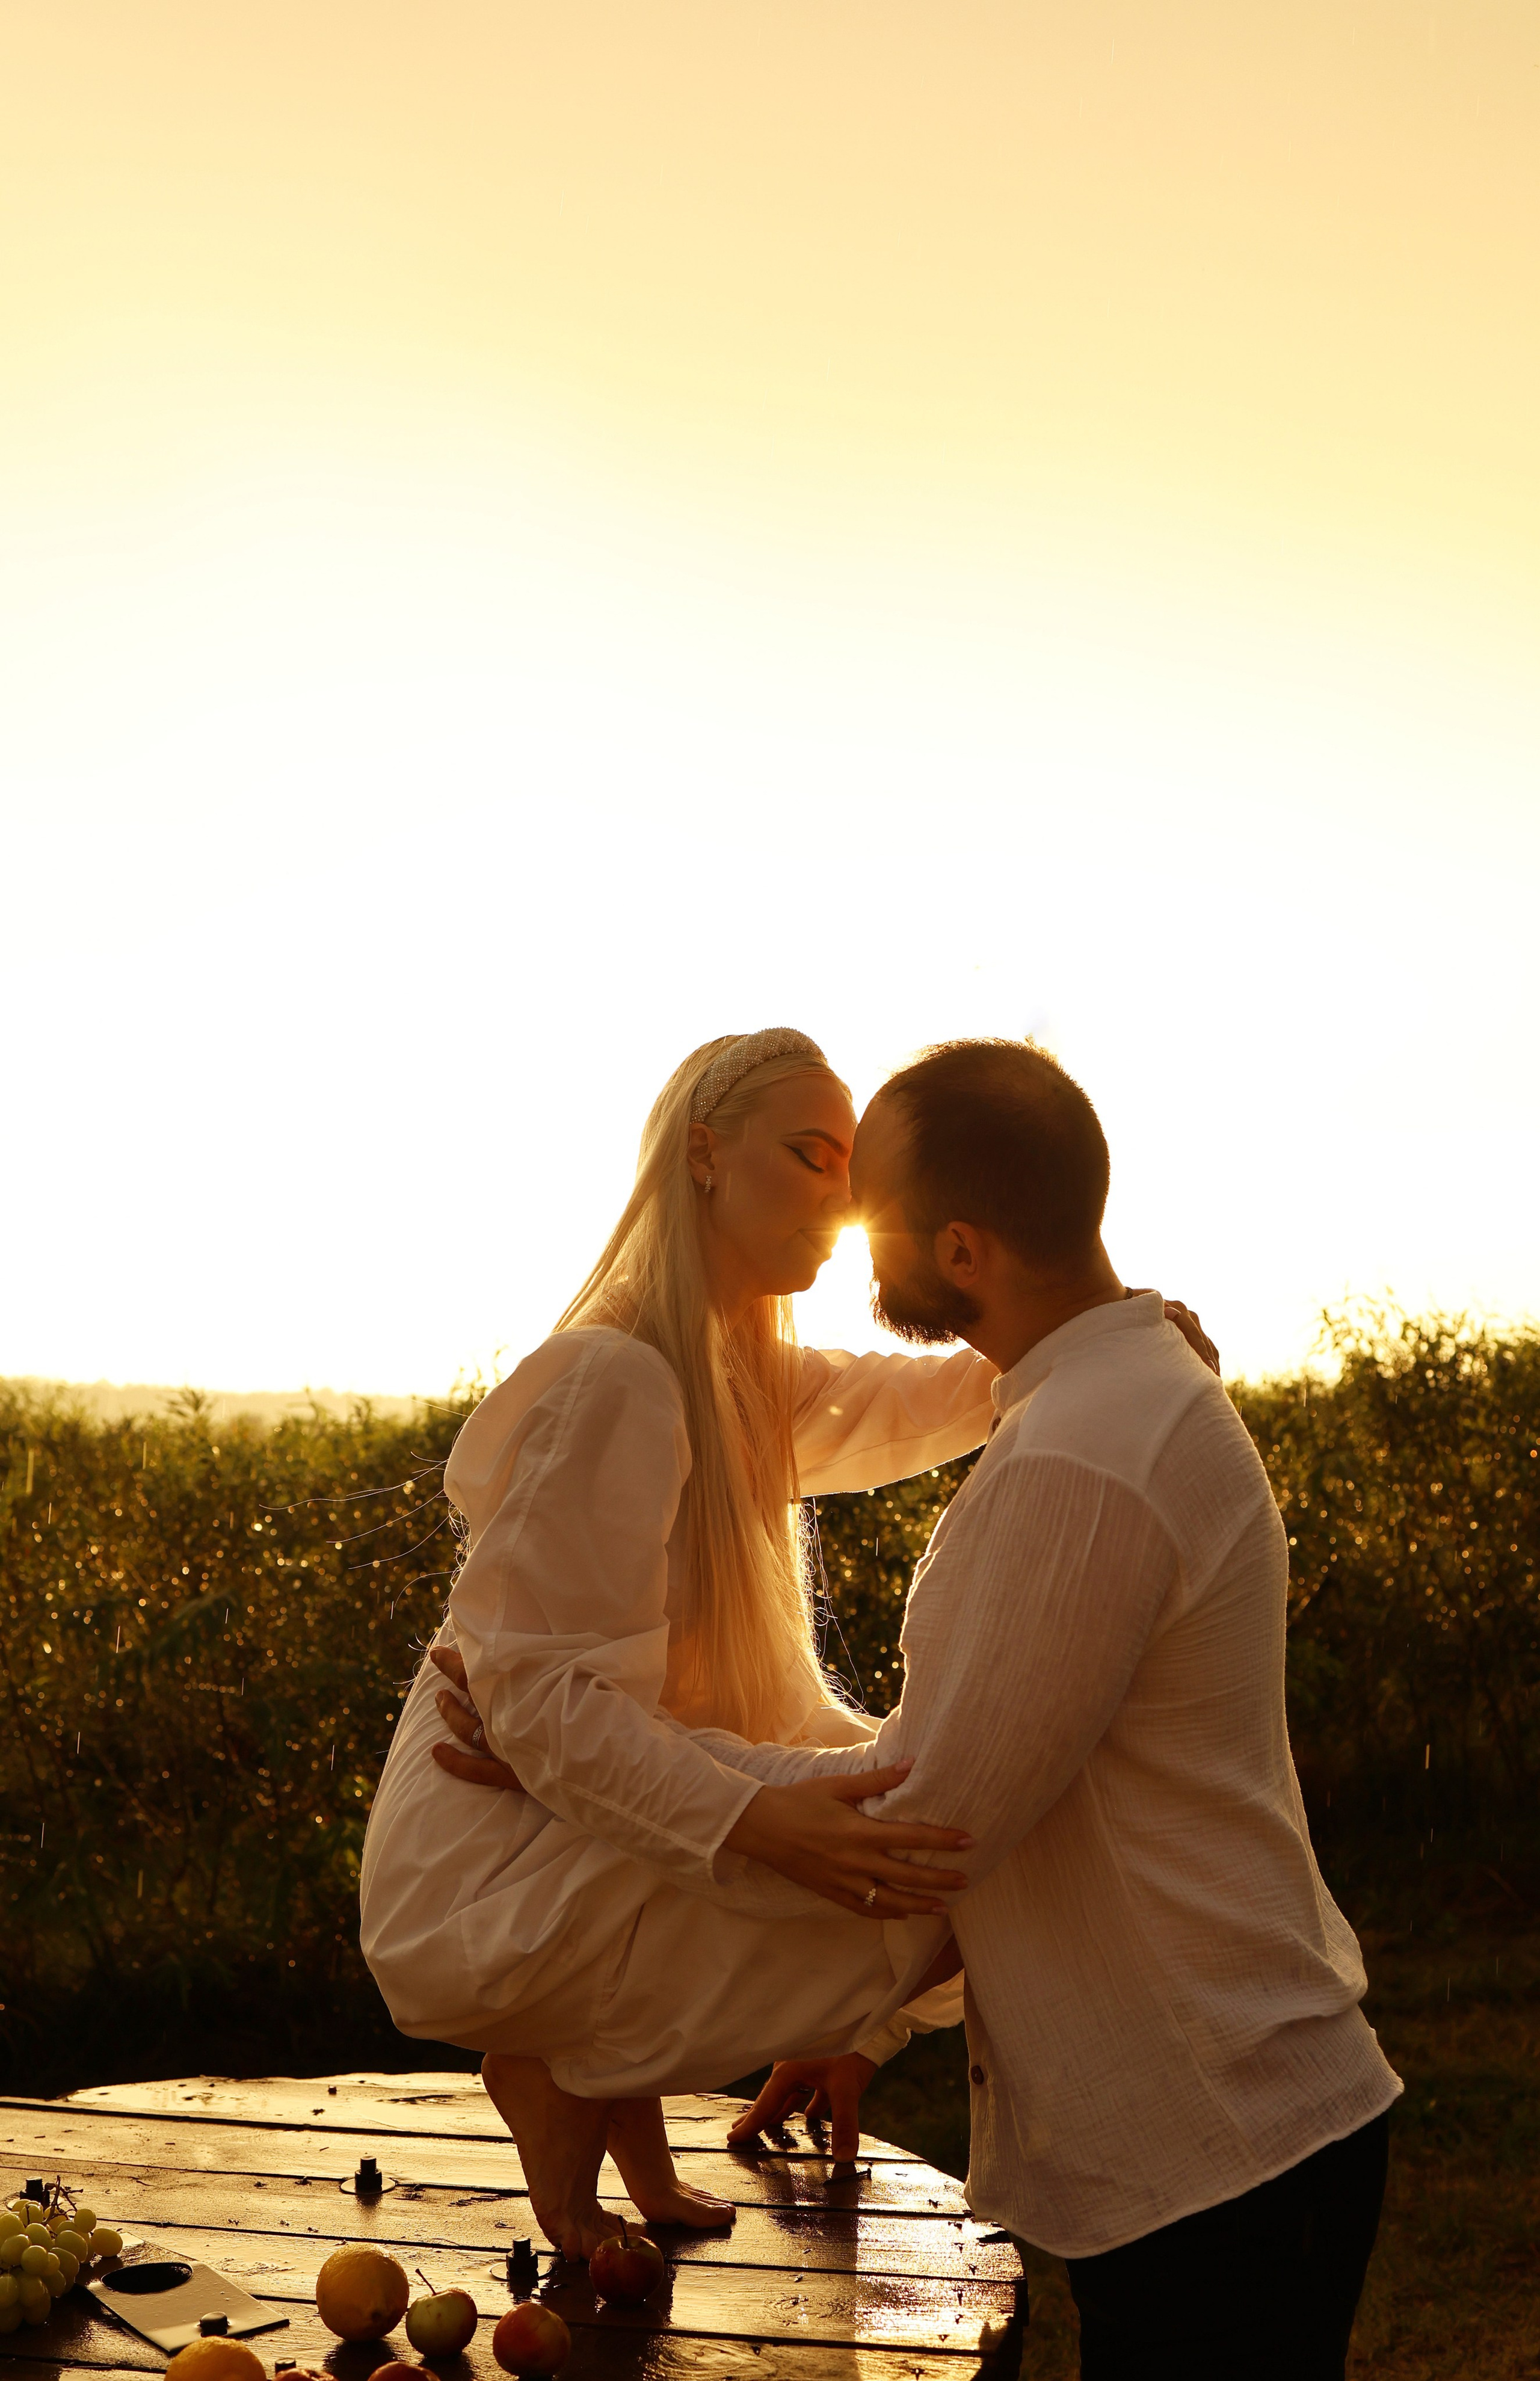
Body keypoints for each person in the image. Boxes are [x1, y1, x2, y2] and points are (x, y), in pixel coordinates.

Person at [443, 1038, 1399, 2381]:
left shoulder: (1076, 1458)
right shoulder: (1106, 1406)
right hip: (1228, 2125)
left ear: (958, 1250)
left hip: (1213, 2131)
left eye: (868, 1195)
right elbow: (1016, 1788)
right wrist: (861, 2024)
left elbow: (922, 1821)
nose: (845, 1226)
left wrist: (577, 1753)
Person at [361, 1029, 997, 2256]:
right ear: (702, 1154)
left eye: (850, 1174)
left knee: (911, 1802)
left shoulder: (727, 1375)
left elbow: (917, 1398)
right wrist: (760, 1823)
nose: (840, 1196)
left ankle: (607, 2109)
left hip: (555, 1818)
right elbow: (542, 1703)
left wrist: (1082, 1336)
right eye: (812, 1156)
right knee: (949, 1847)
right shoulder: (617, 1376)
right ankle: (560, 2081)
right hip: (481, 1870)